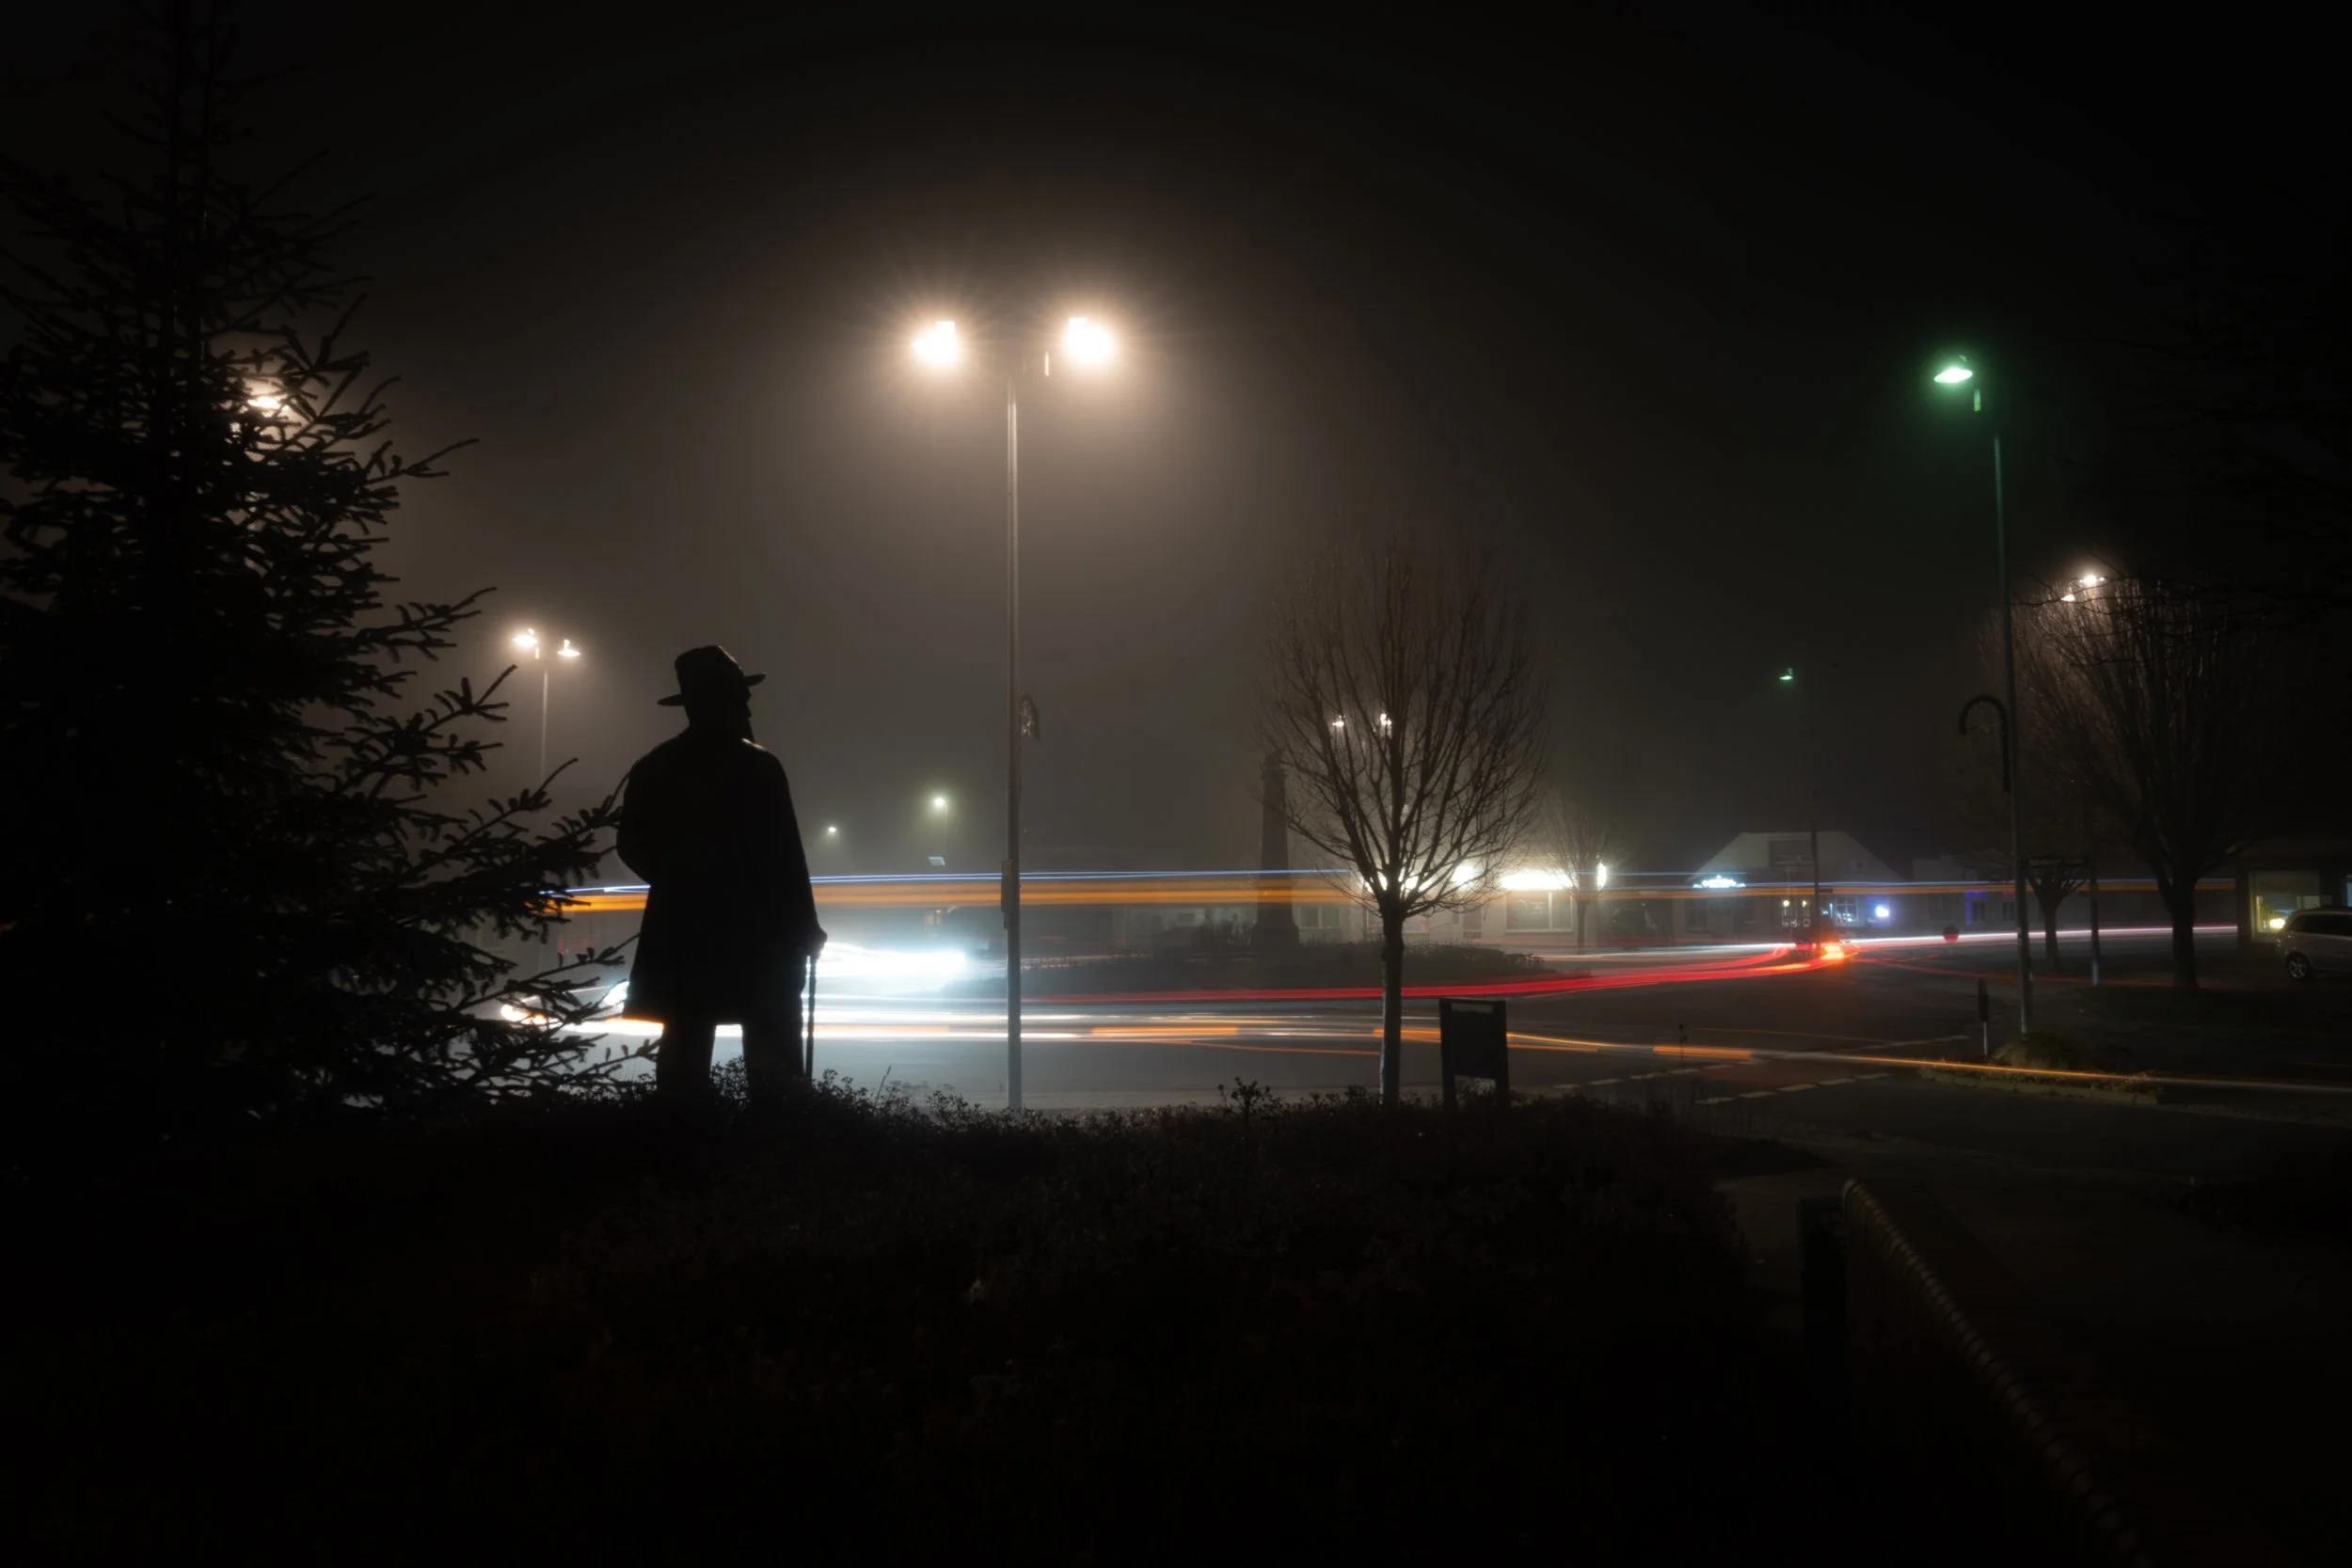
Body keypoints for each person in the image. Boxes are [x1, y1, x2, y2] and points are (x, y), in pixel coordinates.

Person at [618, 645, 825, 1101]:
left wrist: (681, 883)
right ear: (718, 701)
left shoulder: (656, 766)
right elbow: (787, 859)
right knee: (773, 1048)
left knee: (685, 1042)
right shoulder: (759, 767)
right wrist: (804, 925)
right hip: (758, 934)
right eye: (739, 695)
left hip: (684, 931)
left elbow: (631, 845)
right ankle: (776, 1145)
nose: (748, 705)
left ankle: (685, 1142)